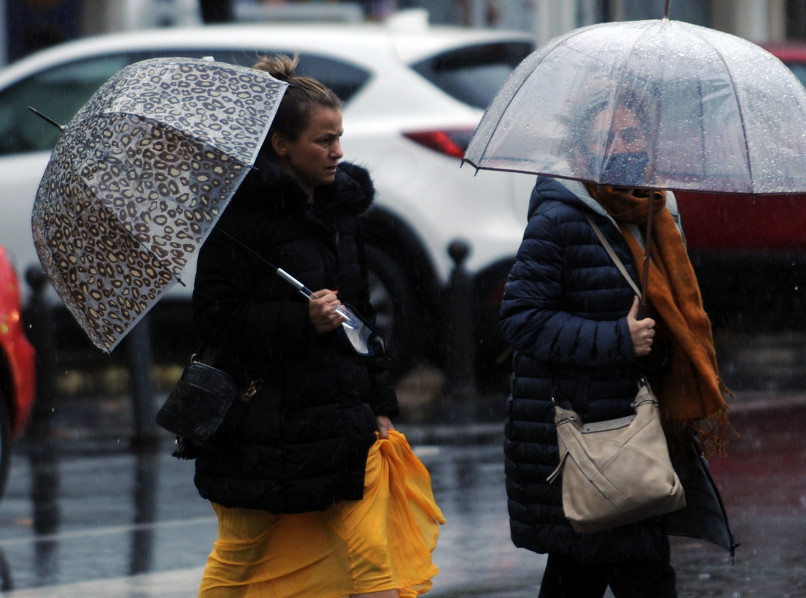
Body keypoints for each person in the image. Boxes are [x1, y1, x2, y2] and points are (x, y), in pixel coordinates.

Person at [190, 55, 444, 598]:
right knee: (238, 562)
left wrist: (380, 406)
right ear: (281, 144)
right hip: (262, 429)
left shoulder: (341, 213)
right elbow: (215, 321)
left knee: (373, 566)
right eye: (323, 140)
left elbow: (364, 319)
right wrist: (300, 320)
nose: (338, 152)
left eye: (340, 137)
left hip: (341, 421)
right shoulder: (237, 220)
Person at [498, 88, 732, 597]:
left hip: (637, 429)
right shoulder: (558, 220)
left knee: (613, 572)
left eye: (633, 133)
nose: (626, 146)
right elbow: (521, 320)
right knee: (597, 570)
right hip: (582, 437)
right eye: (610, 137)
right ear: (582, 151)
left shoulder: (655, 216)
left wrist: (664, 344)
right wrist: (616, 339)